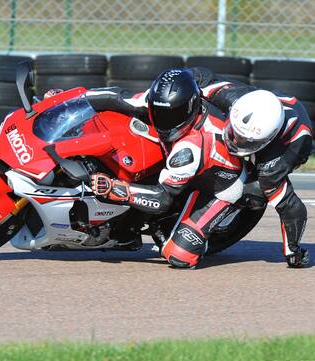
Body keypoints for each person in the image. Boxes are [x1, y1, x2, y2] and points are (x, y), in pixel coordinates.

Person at [85, 69, 246, 269]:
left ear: (190, 108)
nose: (164, 121)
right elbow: (115, 97)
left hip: (220, 187)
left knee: (179, 256)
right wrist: (69, 99)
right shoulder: (158, 103)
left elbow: (161, 199)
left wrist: (115, 189)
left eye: (173, 115)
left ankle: (199, 228)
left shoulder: (192, 147)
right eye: (159, 113)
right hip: (184, 165)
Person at [194, 68, 313, 268]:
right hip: (260, 106)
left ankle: (223, 217)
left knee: (259, 189)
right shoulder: (235, 99)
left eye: (242, 140)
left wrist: (293, 251)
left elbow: (292, 209)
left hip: (288, 146)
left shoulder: (277, 161)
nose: (234, 141)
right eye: (234, 133)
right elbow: (199, 77)